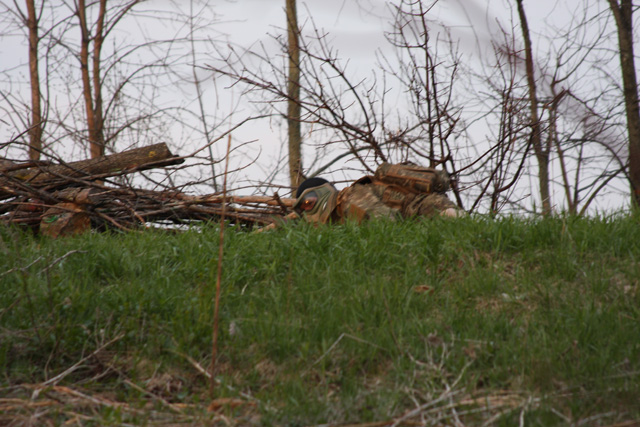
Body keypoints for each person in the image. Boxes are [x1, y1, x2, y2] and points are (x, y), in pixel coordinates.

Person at [292, 162, 462, 224]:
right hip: (424, 209)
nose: (306, 210)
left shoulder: (349, 199)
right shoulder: (341, 211)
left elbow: (386, 222)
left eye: (308, 202)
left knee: (456, 224)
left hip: (425, 207)